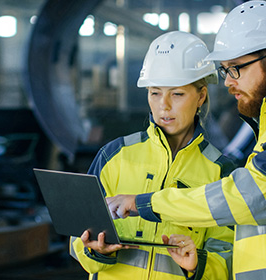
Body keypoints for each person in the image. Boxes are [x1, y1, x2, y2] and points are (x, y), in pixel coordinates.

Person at [106, 2, 266, 279]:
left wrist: (147, 203)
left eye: (236, 68)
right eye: (226, 70)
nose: (229, 82)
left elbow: (248, 198)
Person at [70, 31, 236, 280]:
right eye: (155, 92)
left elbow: (229, 255)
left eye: (177, 94)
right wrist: (95, 250)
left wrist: (197, 264)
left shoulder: (221, 173)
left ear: (201, 96)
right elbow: (77, 237)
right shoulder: (115, 156)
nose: (163, 106)